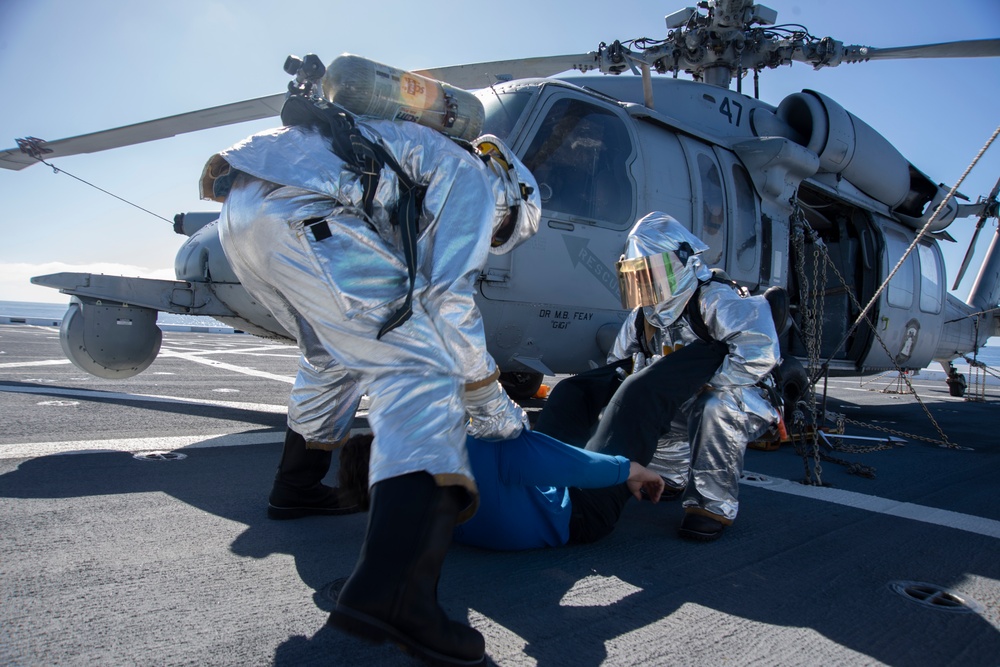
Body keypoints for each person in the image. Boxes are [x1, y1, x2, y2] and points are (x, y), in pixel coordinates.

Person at [200, 93, 541, 664]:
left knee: (332, 356)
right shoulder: (475, 179)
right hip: (304, 207)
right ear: (511, 201)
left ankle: (297, 485)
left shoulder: (418, 153)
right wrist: (491, 405)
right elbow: (446, 296)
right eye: (502, 230)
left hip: (244, 210)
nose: (492, 235)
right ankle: (395, 596)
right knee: (422, 371)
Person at [534, 212, 781, 542]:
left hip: (738, 396)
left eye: (651, 274)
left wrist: (698, 383)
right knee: (637, 394)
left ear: (679, 263)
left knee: (714, 406)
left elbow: (759, 352)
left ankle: (711, 505)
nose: (645, 286)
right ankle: (669, 475)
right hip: (676, 396)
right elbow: (620, 365)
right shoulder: (642, 317)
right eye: (638, 278)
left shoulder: (714, 300)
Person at [337, 427, 668, 551]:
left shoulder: (410, 517)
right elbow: (576, 467)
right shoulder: (476, 450)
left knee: (567, 403)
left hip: (528, 502)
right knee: (633, 401)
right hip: (582, 513)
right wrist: (631, 470)